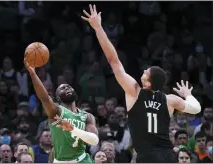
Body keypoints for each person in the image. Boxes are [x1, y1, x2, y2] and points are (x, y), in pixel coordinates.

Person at [82, 4, 201, 163]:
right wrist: (188, 94)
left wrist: (98, 28)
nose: (143, 72)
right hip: (167, 155)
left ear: (149, 82)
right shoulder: (170, 100)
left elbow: (113, 60)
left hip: (146, 155)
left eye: (146, 72)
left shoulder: (134, 91)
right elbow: (196, 108)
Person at [24, 59, 99, 163]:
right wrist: (33, 74)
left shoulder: (87, 116)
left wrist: (73, 129)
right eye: (62, 88)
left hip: (82, 160)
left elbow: (94, 140)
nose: (67, 88)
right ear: (58, 97)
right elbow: (44, 97)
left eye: (68, 87)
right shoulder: (56, 111)